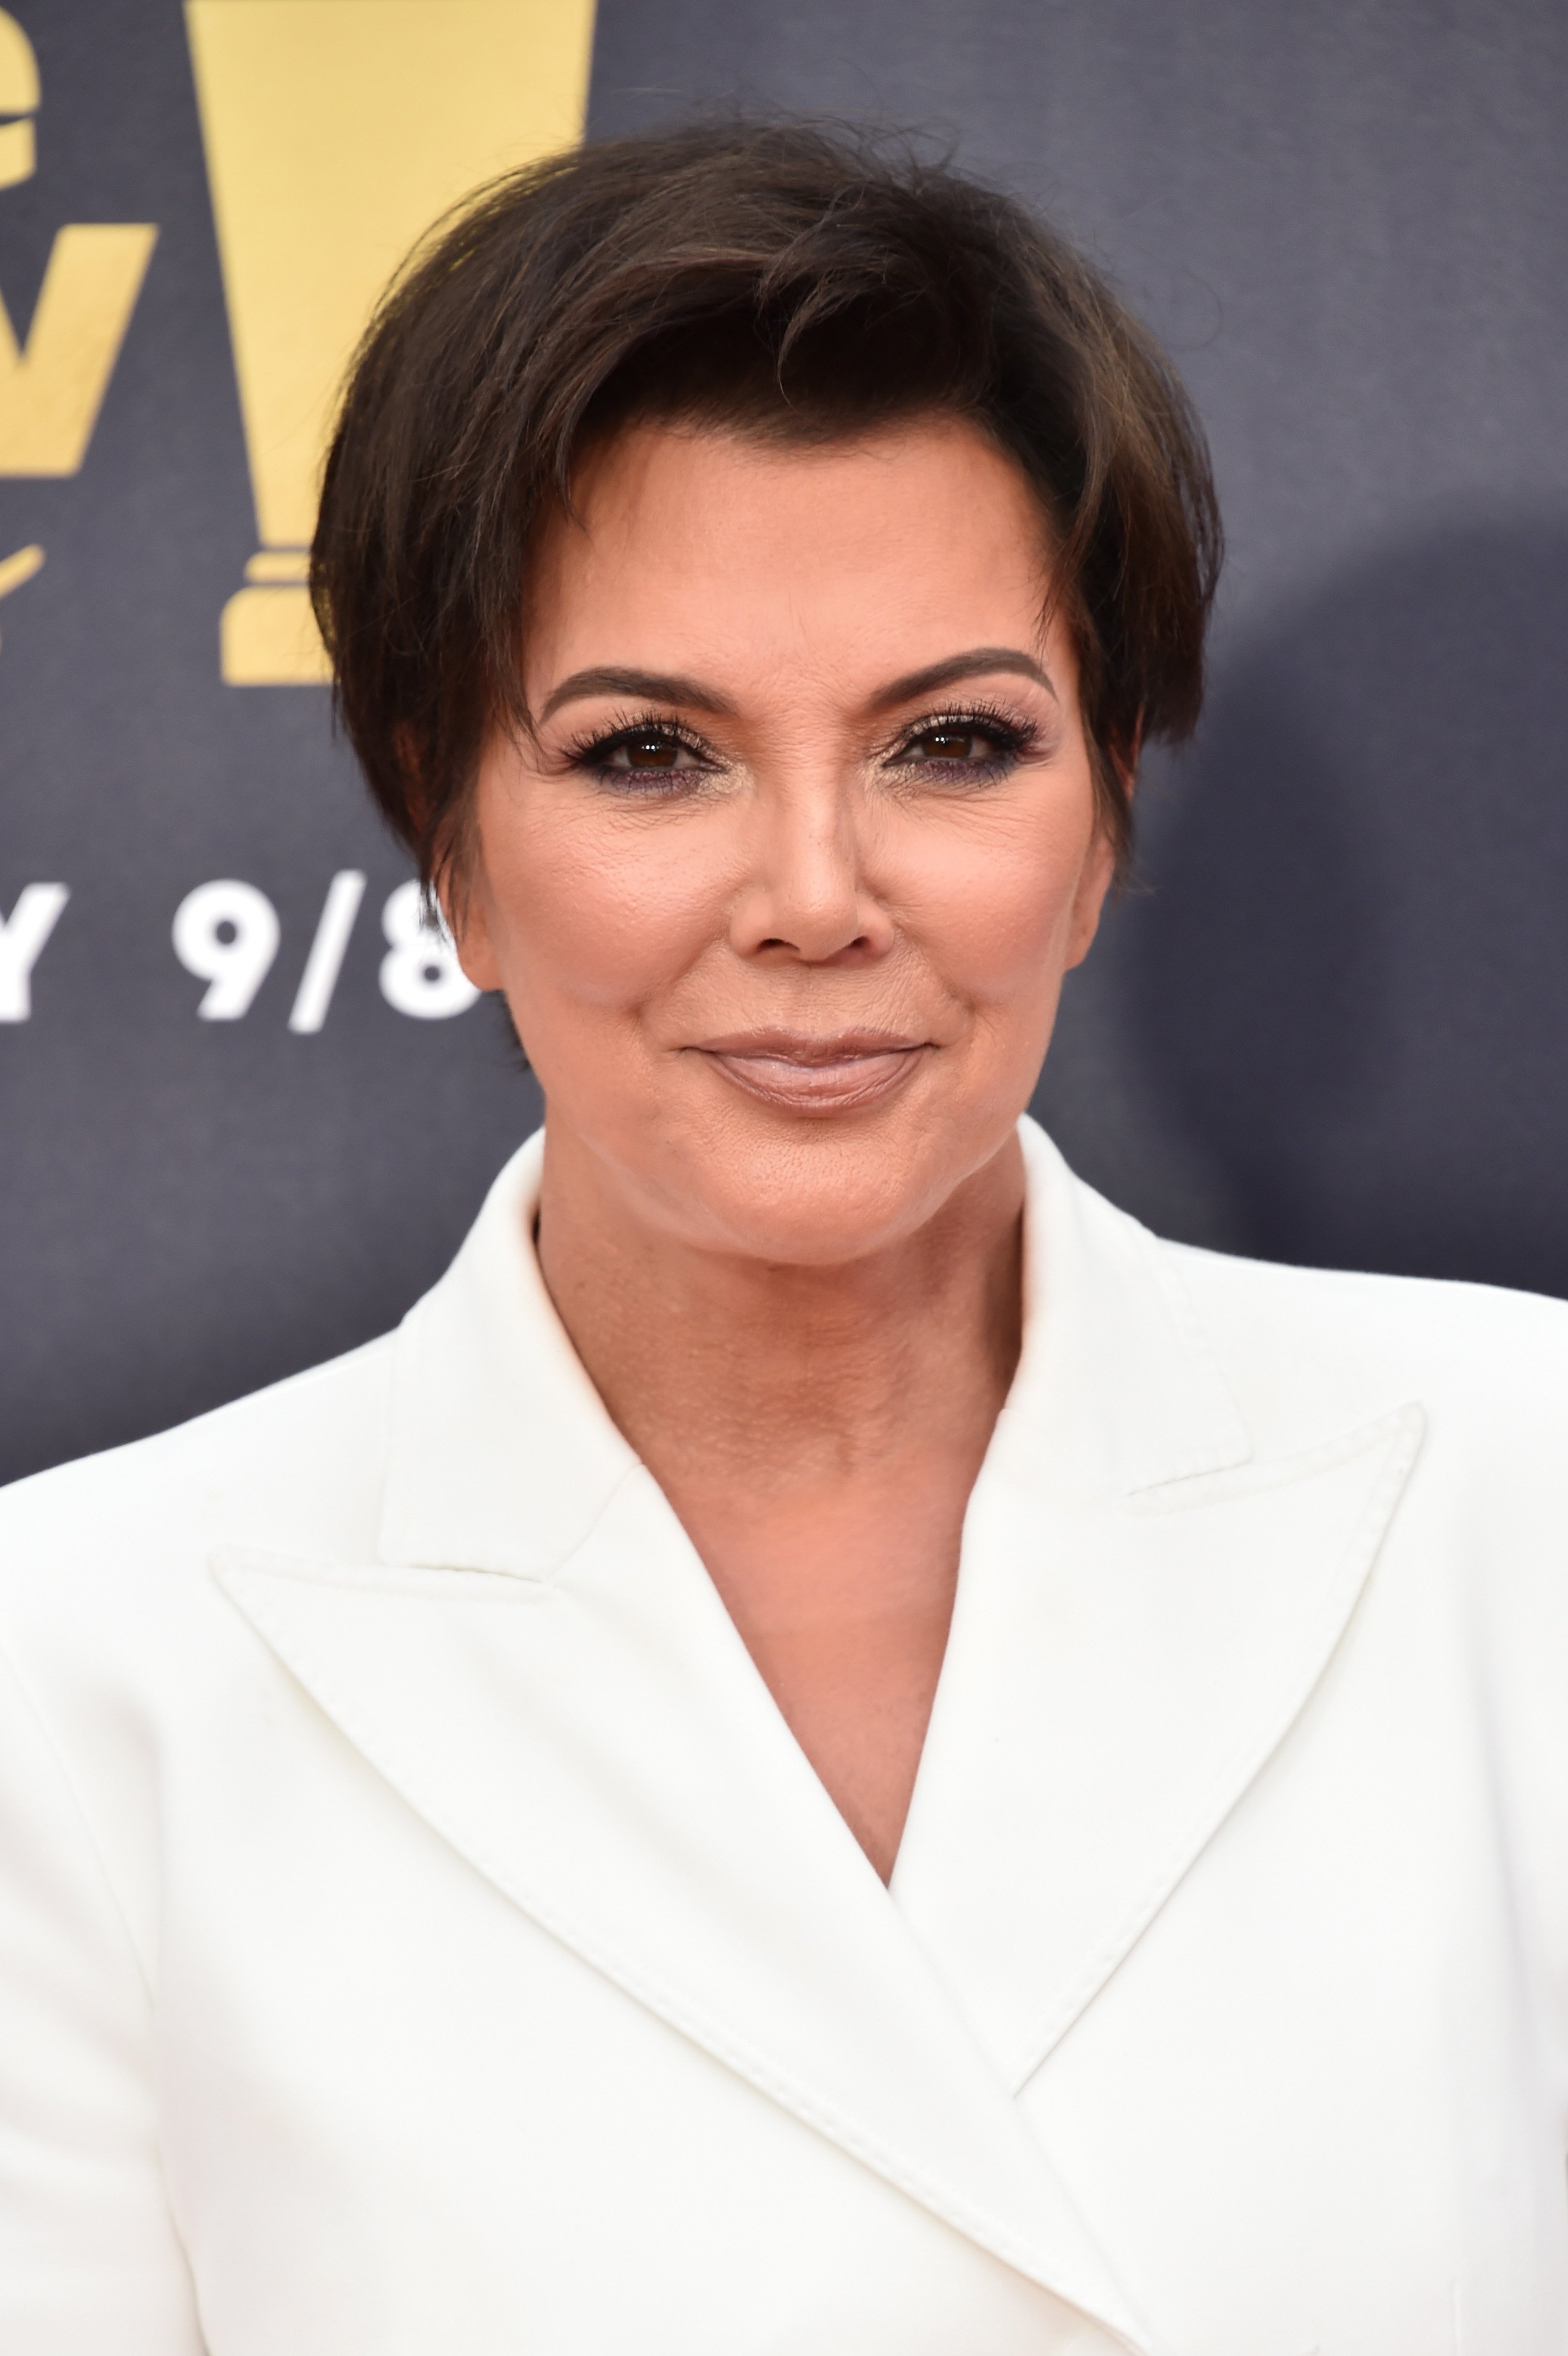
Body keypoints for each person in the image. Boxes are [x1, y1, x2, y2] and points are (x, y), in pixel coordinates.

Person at [1, 120, 1564, 2356]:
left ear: (1106, 817)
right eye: (653, 756)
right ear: (449, 843)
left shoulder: (1528, 1501)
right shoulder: (66, 1675)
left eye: (951, 741)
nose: (820, 895)